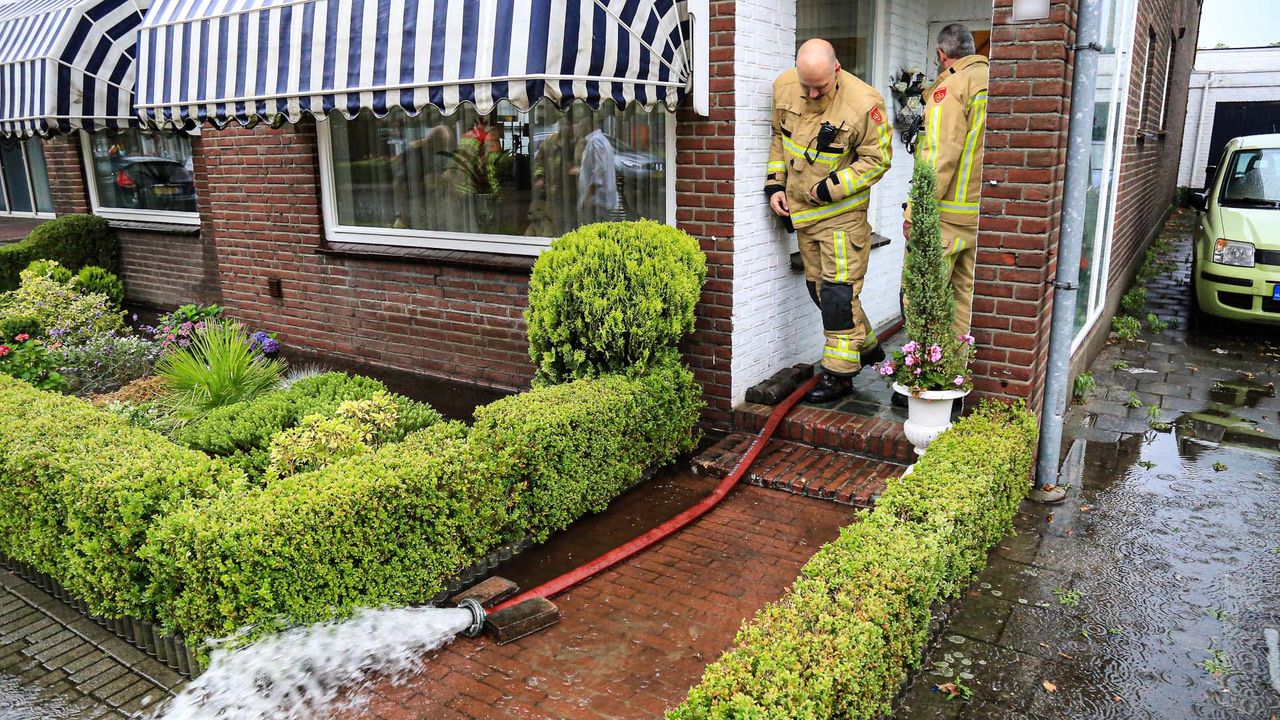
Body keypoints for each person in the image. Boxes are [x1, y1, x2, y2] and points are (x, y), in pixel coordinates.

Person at [766, 39, 893, 403]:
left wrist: (832, 187)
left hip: (842, 218)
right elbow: (780, 138)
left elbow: (877, 160)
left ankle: (839, 375)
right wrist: (775, 184)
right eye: (806, 84)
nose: (812, 92)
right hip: (804, 218)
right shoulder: (785, 87)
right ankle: (867, 349)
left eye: (819, 85)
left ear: (837, 69)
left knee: (838, 295)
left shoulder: (865, 103)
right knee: (819, 291)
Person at [895, 23, 988, 408]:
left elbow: (938, 155)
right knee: (961, 305)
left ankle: (921, 386)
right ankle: (954, 381)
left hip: (945, 218)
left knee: (922, 300)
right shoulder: (990, 79)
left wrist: (916, 212)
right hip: (978, 217)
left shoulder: (952, 88)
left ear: (941, 55)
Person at [577, 115, 618, 224]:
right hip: (599, 200)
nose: (579, 129)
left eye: (581, 126)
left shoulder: (595, 141)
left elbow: (599, 171)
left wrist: (589, 196)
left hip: (598, 201)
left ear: (588, 127)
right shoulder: (600, 140)